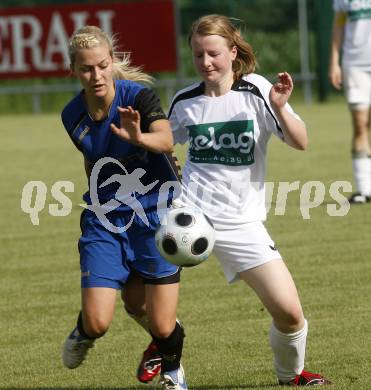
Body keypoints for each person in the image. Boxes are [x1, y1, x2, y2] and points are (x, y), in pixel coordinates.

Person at [165, 14, 330, 386]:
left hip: (242, 222)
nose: (206, 62)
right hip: (188, 215)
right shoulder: (185, 101)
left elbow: (301, 141)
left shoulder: (257, 90)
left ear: (233, 52)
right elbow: (162, 144)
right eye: (198, 55)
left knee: (289, 313)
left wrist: (282, 106)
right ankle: (169, 367)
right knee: (152, 299)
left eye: (213, 53)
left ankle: (291, 376)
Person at [60, 25, 187, 390]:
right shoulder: (71, 115)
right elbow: (93, 161)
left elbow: (164, 139)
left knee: (155, 319)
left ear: (112, 62)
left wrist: (138, 138)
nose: (96, 75)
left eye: (102, 65)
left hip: (155, 217)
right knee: (98, 321)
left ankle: (174, 373)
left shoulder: (139, 98)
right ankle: (83, 332)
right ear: (74, 70)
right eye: (86, 69)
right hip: (105, 218)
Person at [328, 0, 371, 204]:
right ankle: (364, 190)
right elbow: (339, 24)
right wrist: (334, 62)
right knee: (361, 124)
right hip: (355, 65)